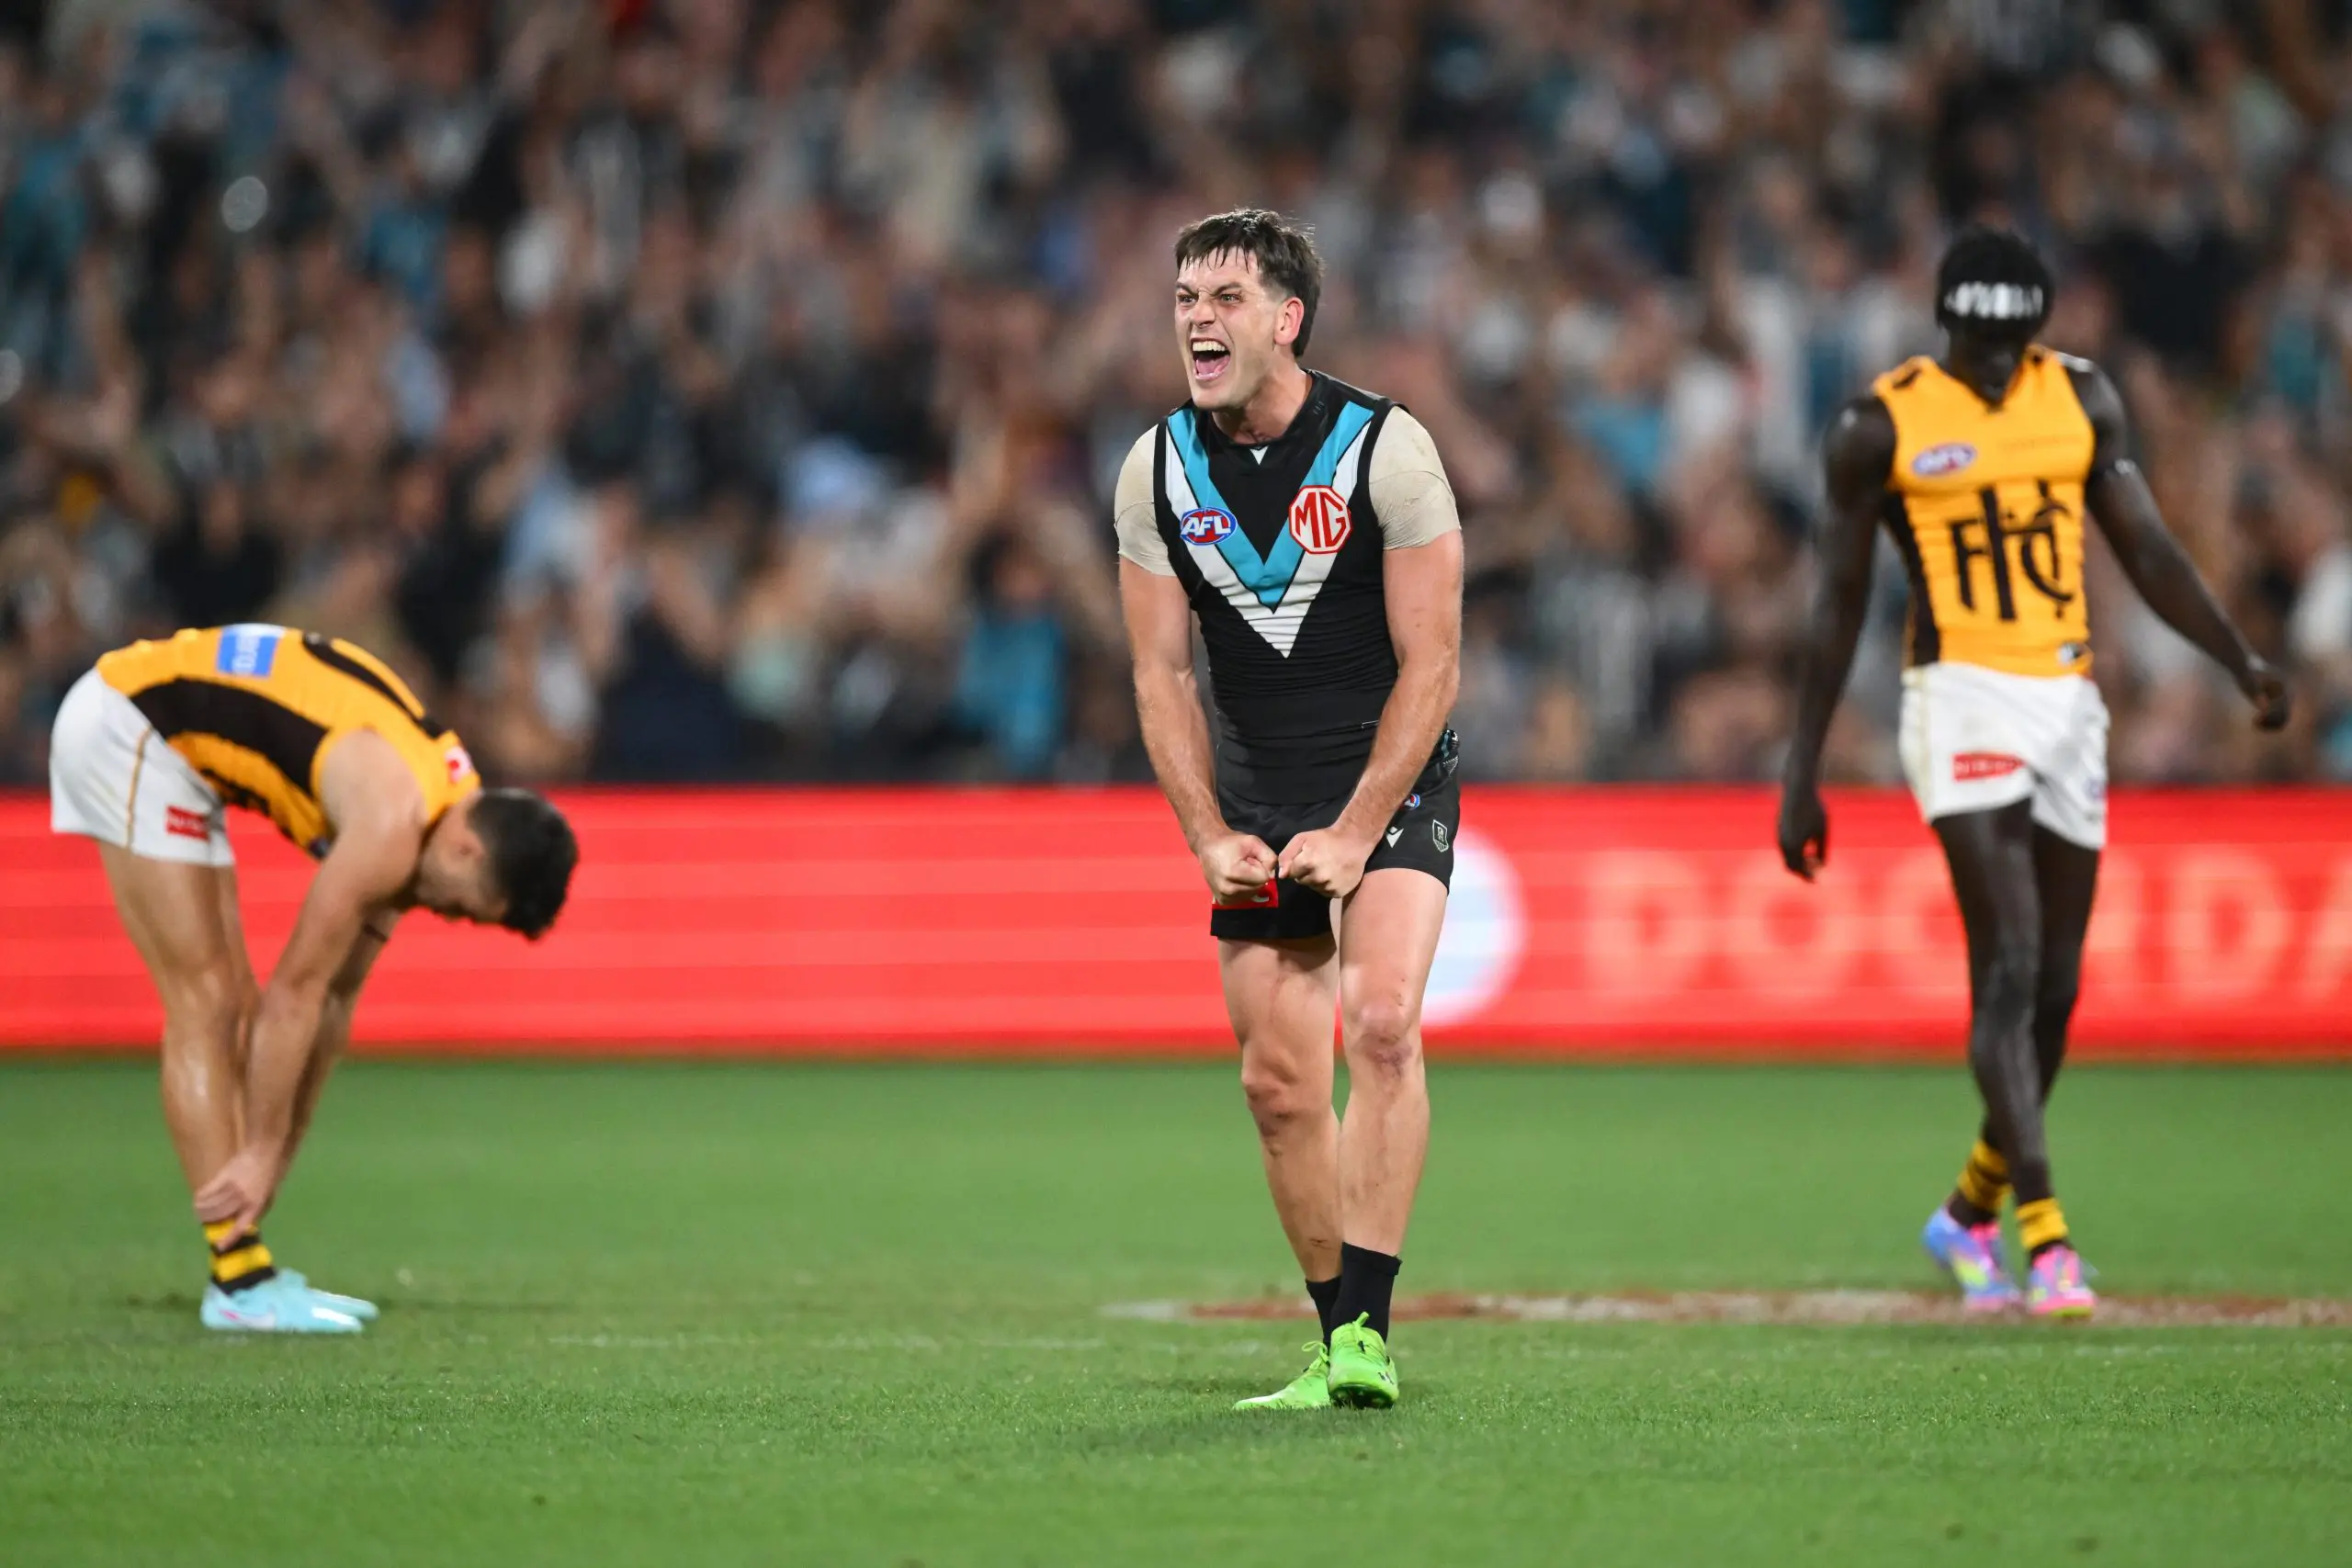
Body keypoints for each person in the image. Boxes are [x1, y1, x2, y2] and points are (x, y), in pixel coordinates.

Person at [1777, 228, 2289, 1319]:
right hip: (1956, 691)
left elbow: (2146, 547)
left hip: (2068, 702)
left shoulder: (2084, 399)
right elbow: (1835, 602)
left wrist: (2237, 656)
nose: (2001, 357)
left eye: (2017, 337)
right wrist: (1801, 768)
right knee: (2006, 962)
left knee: (2055, 989)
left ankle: (1965, 1214)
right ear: (1945, 324)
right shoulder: (1883, 422)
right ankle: (2046, 1233)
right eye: (1982, 337)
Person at [1116, 210, 1463, 1407]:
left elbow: (1435, 662)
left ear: (1285, 319)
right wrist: (1210, 832)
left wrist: (1361, 831)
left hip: (1387, 782)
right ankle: (1334, 1335)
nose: (1197, 318)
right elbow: (1160, 673)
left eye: (1222, 297)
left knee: (1380, 1018)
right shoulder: (1154, 470)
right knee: (1276, 1086)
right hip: (1260, 803)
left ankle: (1366, 1333)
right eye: (1183, 298)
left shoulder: (1387, 450)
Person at [49, 624, 578, 1333]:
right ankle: (237, 1281)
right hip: (127, 725)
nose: (447, 916)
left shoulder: (444, 812)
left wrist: (275, 1159)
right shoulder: (394, 826)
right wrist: (259, 1150)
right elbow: (295, 990)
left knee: (230, 1001)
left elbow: (333, 1001)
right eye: (464, 909)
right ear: (466, 848)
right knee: (208, 1000)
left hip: (178, 746)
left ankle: (245, 1265)